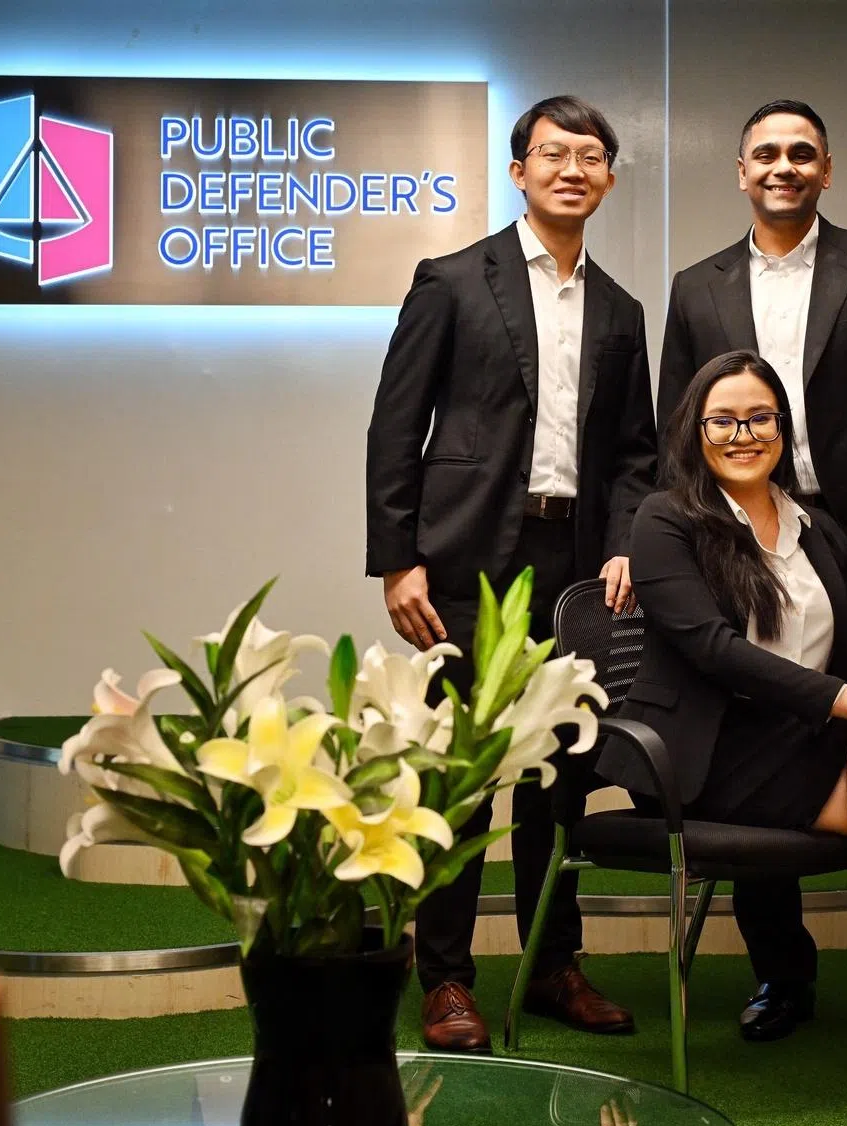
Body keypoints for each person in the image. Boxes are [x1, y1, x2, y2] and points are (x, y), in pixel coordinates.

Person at [599, 349, 847, 1110]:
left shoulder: (818, 529)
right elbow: (716, 652)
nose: (743, 434)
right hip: (706, 758)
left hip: (802, 743)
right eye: (723, 420)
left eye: (760, 417)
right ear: (696, 430)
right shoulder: (665, 520)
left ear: (783, 427)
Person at [656, 99, 847, 1042]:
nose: (782, 167)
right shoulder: (696, 287)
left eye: (801, 153)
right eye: (765, 155)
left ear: (827, 168)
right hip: (730, 542)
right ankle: (783, 977)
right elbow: (673, 423)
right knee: (768, 731)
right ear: (740, 172)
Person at [365, 94, 657, 1053]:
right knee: (461, 776)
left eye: (590, 156)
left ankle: (551, 963)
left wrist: (623, 542)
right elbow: (395, 426)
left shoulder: (622, 311)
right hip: (463, 563)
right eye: (552, 153)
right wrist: (396, 559)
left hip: (575, 565)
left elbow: (634, 455)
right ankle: (446, 978)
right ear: (519, 171)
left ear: (609, 177)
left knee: (561, 778)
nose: (572, 168)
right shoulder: (451, 280)